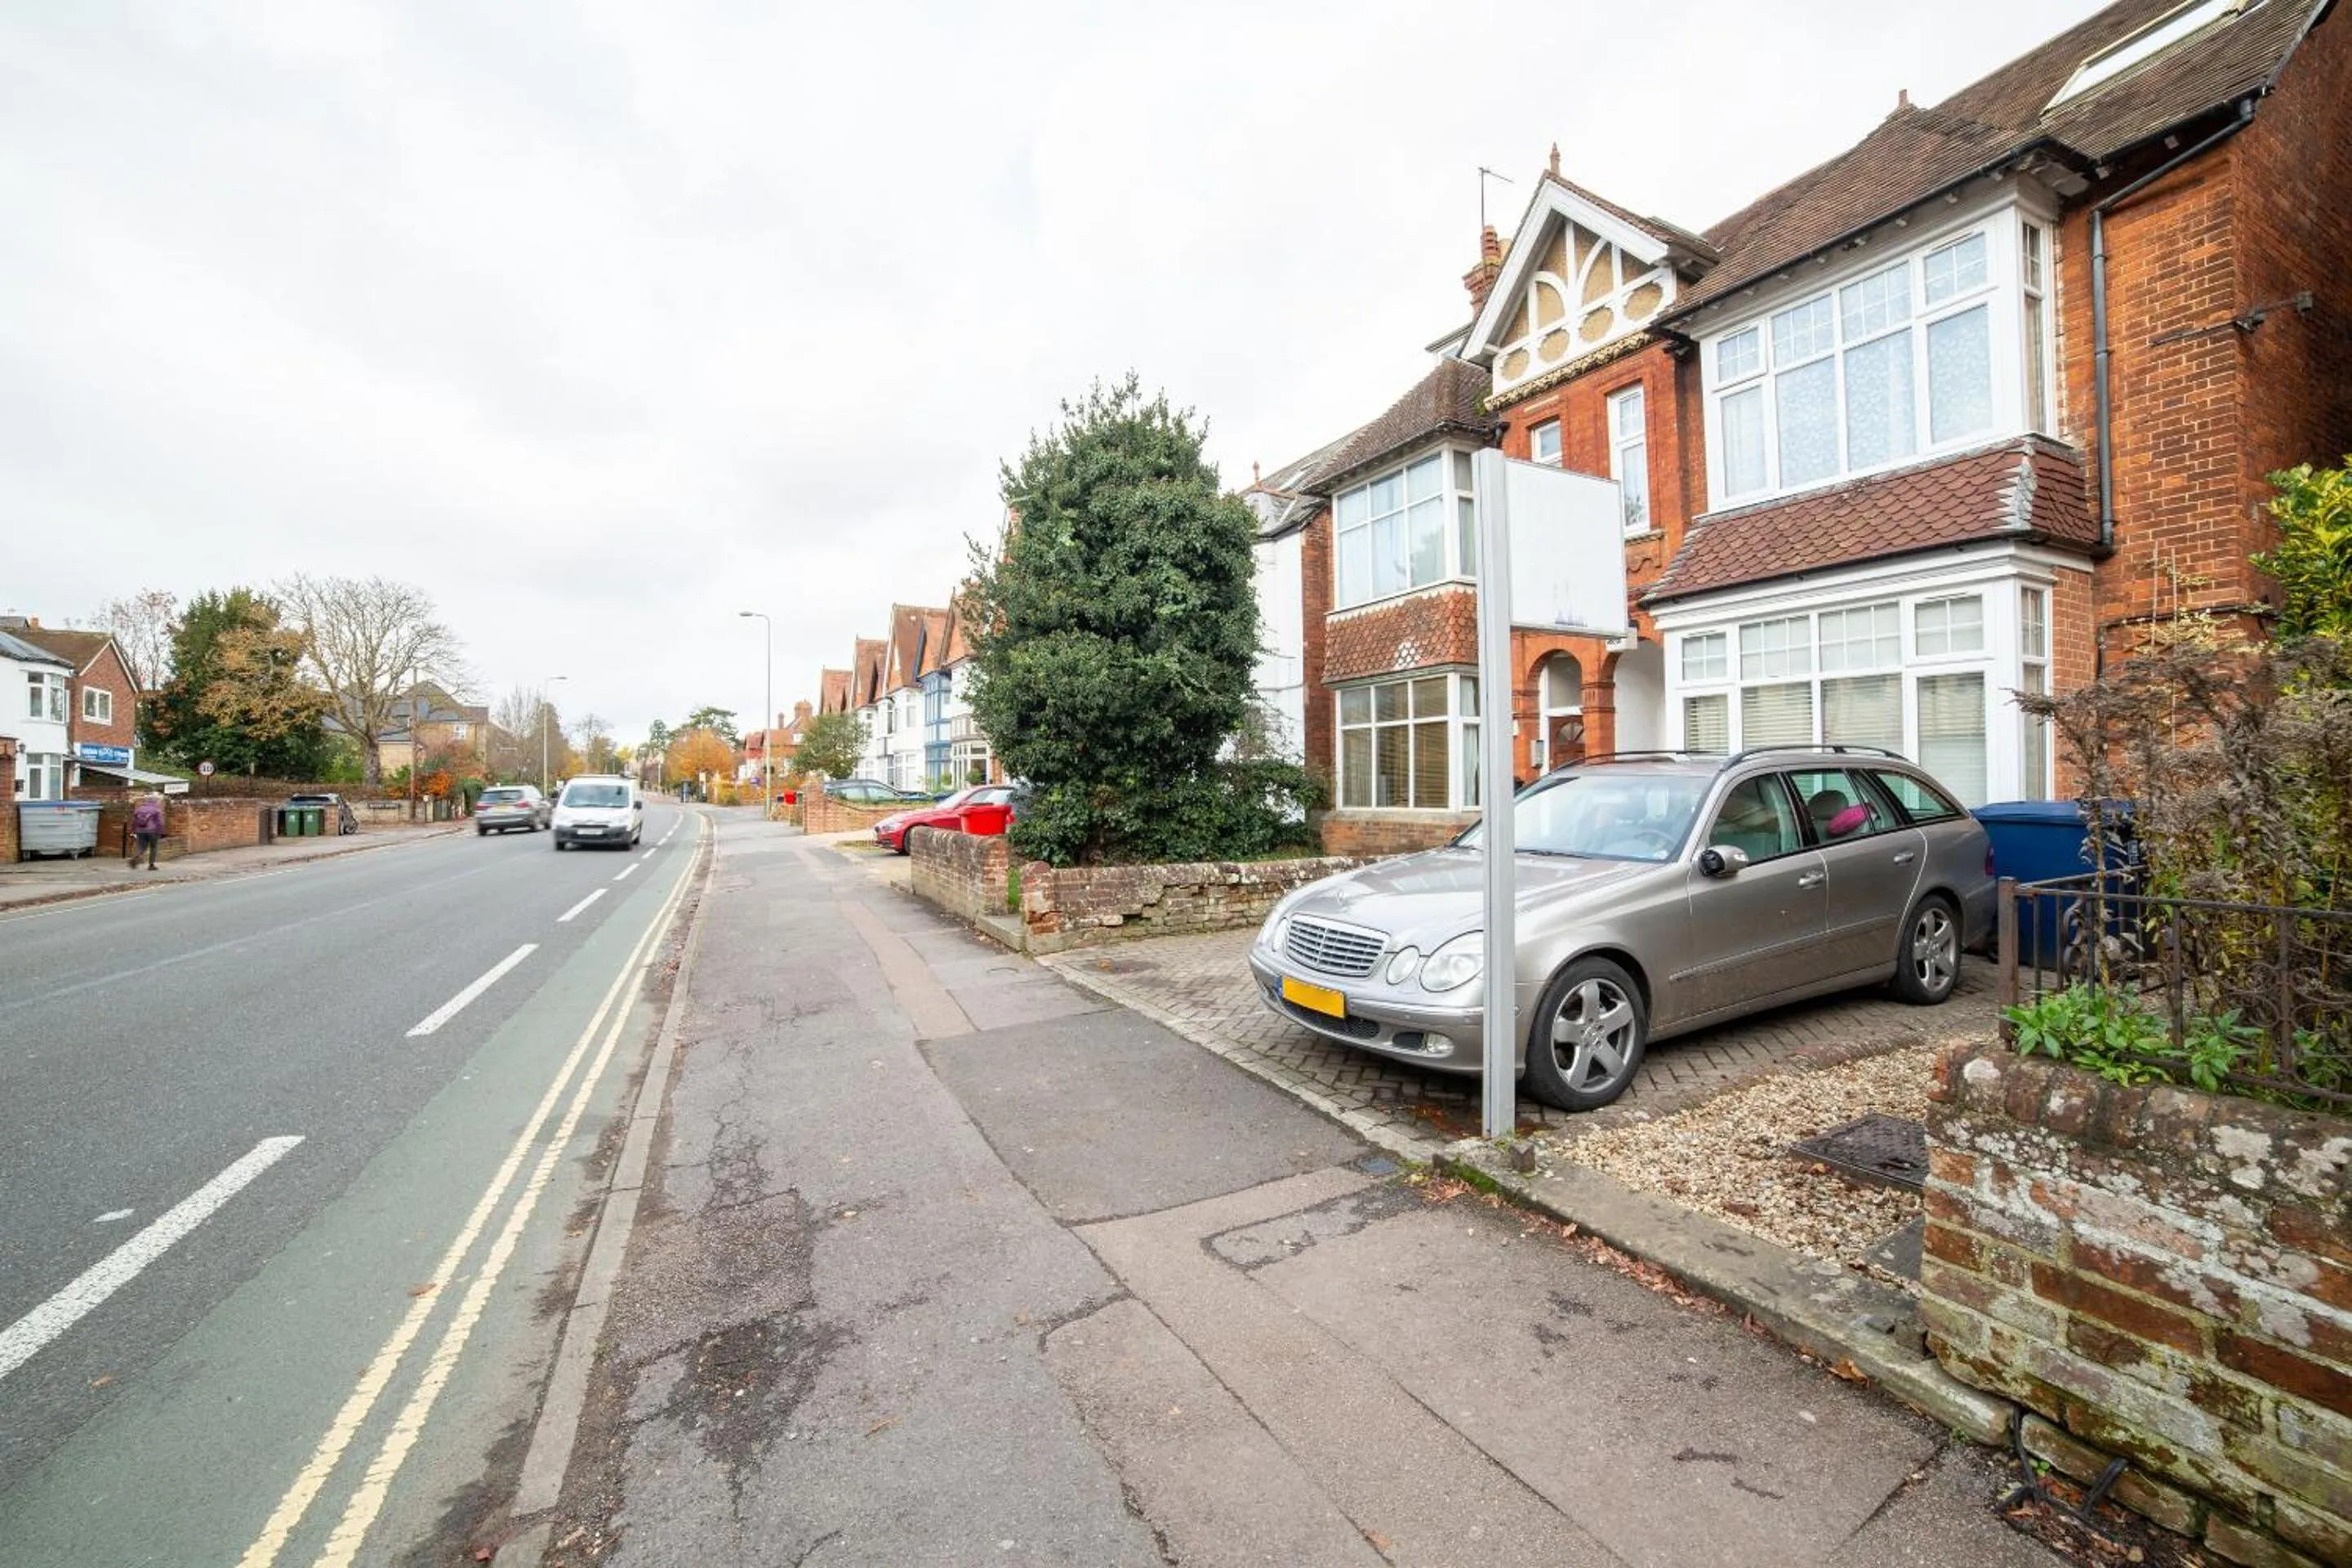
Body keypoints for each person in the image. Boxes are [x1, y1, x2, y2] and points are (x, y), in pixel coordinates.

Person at [130, 791, 166, 870]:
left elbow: (134, 822)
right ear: (155, 801)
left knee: (141, 847)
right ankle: (151, 865)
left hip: (140, 831)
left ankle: (135, 857)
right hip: (153, 831)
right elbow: (160, 822)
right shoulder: (156, 810)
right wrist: (162, 832)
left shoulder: (139, 810)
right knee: (153, 847)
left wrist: (133, 831)